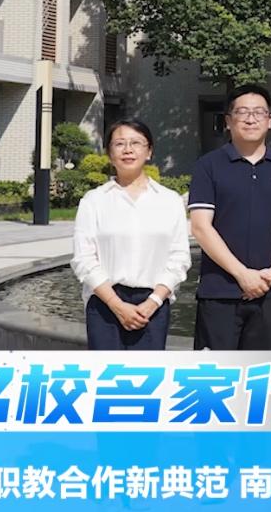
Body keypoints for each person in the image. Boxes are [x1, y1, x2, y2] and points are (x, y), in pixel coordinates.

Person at [187, 85, 271, 351]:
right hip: (219, 291)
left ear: (270, 120)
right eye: (242, 112)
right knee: (215, 373)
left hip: (268, 290)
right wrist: (242, 274)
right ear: (228, 121)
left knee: (259, 373)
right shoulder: (208, 166)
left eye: (259, 112)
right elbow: (200, 227)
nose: (251, 119)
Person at [71, 119, 191, 351]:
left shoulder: (169, 200)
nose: (128, 150)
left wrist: (153, 301)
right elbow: (83, 259)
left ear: (149, 151)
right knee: (106, 373)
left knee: (147, 373)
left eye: (136, 143)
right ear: (109, 153)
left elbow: (179, 258)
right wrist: (117, 305)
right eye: (120, 144)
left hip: (153, 305)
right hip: (105, 303)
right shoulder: (94, 200)